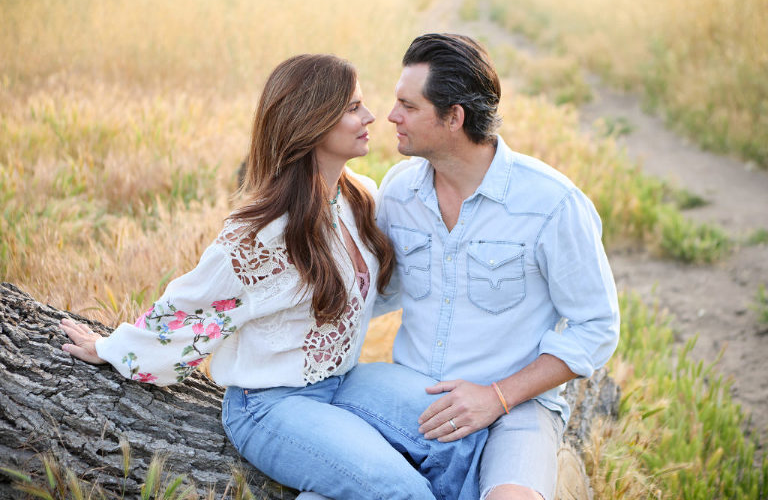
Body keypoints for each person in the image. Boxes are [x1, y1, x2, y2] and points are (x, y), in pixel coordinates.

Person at [58, 53, 487, 500]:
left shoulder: (360, 197)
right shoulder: (260, 235)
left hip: (343, 381)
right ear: (312, 122)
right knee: (401, 491)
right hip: (270, 405)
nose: (371, 116)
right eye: (352, 107)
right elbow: (190, 308)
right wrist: (112, 347)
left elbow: (378, 289)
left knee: (464, 438)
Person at [330, 34, 621, 500]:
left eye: (408, 105)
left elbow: (597, 327)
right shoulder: (400, 191)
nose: (390, 116)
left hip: (517, 411)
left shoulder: (552, 204)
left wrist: (497, 397)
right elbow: (376, 292)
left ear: (454, 118)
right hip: (413, 400)